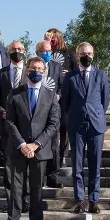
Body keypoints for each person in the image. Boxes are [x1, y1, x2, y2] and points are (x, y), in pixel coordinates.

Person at [1, 57, 60, 220]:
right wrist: (23, 144)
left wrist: (36, 144)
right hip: (17, 149)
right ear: (27, 70)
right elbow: (9, 121)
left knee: (36, 191)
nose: (37, 71)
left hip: (40, 150)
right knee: (15, 188)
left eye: (40, 69)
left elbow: (53, 123)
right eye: (33, 68)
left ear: (44, 72)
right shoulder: (15, 93)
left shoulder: (50, 96)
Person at [60, 43, 110, 213]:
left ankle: (94, 200)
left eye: (89, 53)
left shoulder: (101, 75)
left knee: (95, 164)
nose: (86, 56)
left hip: (96, 124)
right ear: (77, 55)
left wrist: (95, 114)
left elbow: (105, 101)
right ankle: (79, 200)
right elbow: (65, 102)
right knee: (77, 164)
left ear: (93, 55)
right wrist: (77, 113)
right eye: (83, 53)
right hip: (76, 125)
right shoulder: (70, 77)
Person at [0, 41, 27, 170]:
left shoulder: (30, 73)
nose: (17, 52)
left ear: (24, 52)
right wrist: (2, 112)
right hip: (7, 123)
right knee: (8, 161)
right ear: (8, 53)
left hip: (26, 123)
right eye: (13, 50)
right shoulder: (0, 74)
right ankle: (9, 187)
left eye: (20, 49)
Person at [45, 28, 74, 176]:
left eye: (54, 37)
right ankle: (51, 156)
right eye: (50, 38)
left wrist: (68, 74)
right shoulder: (46, 52)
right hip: (49, 96)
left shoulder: (68, 54)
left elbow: (77, 71)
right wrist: (46, 41)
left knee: (64, 127)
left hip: (65, 95)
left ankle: (62, 155)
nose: (53, 40)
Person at [36, 40, 64, 189]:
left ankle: (53, 176)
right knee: (40, 145)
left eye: (49, 51)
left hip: (53, 111)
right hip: (37, 112)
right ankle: (39, 178)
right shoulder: (34, 66)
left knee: (54, 145)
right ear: (38, 52)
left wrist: (59, 94)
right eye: (44, 51)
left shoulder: (56, 66)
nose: (47, 54)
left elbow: (61, 85)